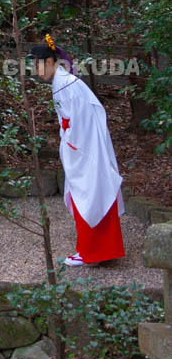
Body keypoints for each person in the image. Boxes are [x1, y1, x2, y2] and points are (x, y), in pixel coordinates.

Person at [31, 33, 125, 267]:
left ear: (51, 62)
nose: (36, 70)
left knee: (88, 196)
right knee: (89, 195)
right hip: (84, 147)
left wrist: (71, 146)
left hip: (84, 149)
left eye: (38, 64)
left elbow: (78, 121)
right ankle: (91, 250)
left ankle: (93, 252)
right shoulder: (64, 83)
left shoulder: (66, 85)